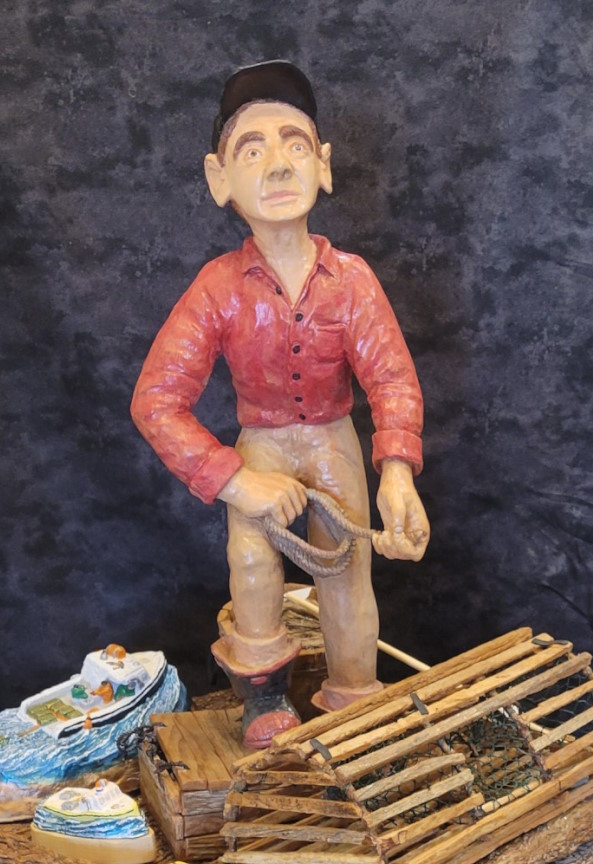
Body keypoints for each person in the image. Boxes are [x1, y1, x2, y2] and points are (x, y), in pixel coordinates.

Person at [131, 61, 429, 748]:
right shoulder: (218, 288)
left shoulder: (351, 281)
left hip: (332, 440)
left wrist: (397, 472)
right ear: (219, 179)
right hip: (260, 444)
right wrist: (237, 480)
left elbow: (391, 378)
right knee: (254, 561)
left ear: (323, 166)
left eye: (294, 144)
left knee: (349, 571)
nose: (276, 165)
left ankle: (355, 699)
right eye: (252, 149)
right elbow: (156, 400)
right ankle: (263, 700)